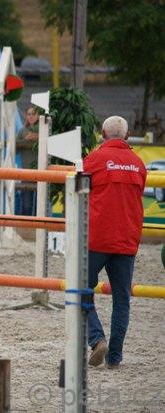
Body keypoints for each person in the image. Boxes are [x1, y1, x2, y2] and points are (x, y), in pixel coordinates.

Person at [84, 116, 147, 369]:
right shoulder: (139, 163)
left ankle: (97, 339)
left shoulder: (94, 159)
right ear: (128, 136)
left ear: (102, 133)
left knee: (80, 289)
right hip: (127, 239)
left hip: (97, 238)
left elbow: (81, 191)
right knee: (122, 300)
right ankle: (115, 357)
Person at [15, 105, 39, 215]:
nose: (31, 116)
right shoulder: (22, 131)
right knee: (26, 205)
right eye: (29, 114)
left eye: (33, 114)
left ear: (38, 116)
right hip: (26, 172)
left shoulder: (44, 129)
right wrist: (25, 141)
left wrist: (37, 137)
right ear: (26, 116)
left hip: (41, 172)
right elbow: (15, 148)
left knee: (40, 205)